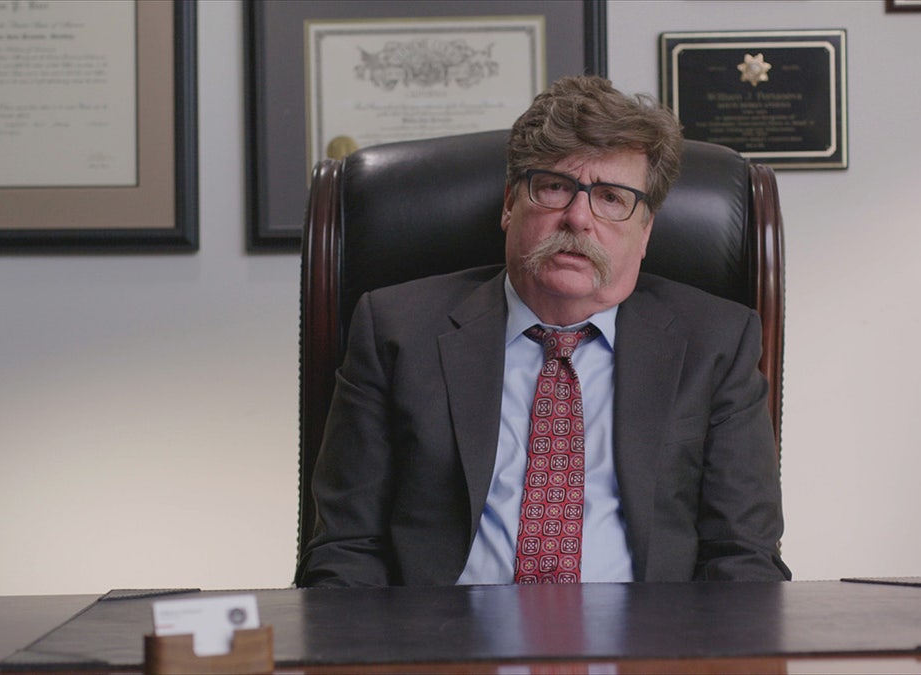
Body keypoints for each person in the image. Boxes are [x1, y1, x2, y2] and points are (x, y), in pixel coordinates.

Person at [296, 75, 790, 587]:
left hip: (647, 630)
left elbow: (742, 555)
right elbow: (347, 549)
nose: (578, 218)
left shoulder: (715, 342)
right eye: (555, 187)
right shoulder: (396, 330)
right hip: (443, 629)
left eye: (612, 198)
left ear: (645, 230)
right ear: (510, 204)